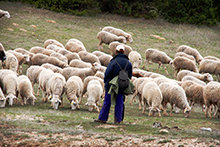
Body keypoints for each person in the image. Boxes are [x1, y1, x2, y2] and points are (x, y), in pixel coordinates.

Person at [94, 45, 133, 124]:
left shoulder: (114, 62)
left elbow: (107, 73)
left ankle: (102, 118)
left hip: (111, 84)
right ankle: (118, 120)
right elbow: (130, 75)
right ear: (123, 52)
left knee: (107, 101)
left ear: (116, 51)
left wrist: (106, 83)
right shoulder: (128, 63)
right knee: (120, 101)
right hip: (122, 84)